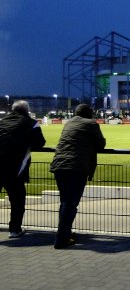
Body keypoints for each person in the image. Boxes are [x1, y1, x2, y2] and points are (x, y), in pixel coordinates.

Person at [50, 104, 106, 249]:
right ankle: (61, 239)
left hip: (59, 165)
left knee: (65, 202)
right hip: (76, 166)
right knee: (70, 204)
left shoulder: (69, 122)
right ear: (90, 114)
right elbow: (101, 144)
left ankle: (65, 233)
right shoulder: (91, 124)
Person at [0, 100, 46, 238]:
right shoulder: (31, 123)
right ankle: (14, 230)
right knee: (17, 200)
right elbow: (40, 143)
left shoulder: (1, 122)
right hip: (14, 167)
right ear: (27, 110)